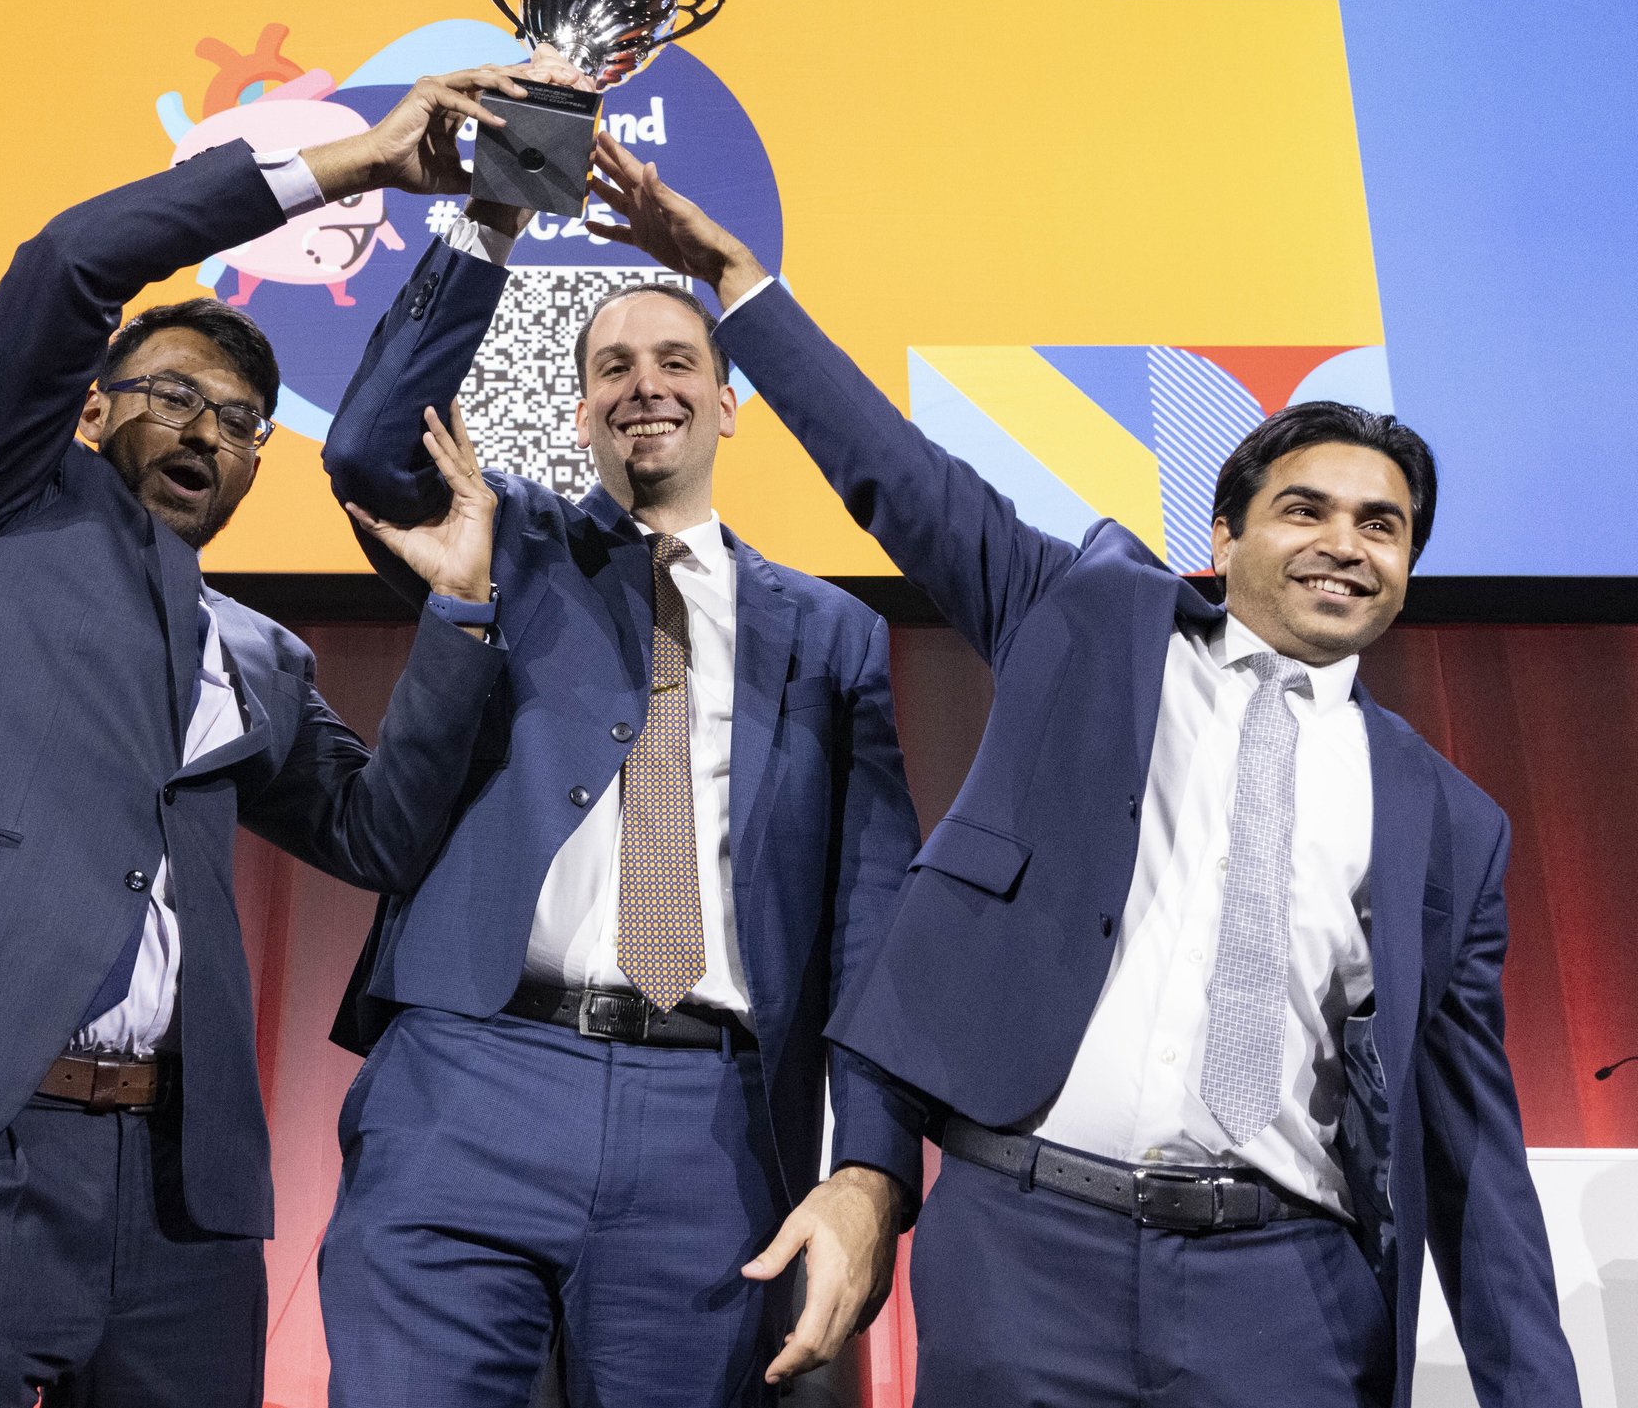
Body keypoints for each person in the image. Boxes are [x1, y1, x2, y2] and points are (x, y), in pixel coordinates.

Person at [585, 131, 1581, 1408]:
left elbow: (1470, 1152)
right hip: (1027, 1241)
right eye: (1303, 509)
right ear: (1222, 536)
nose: (1343, 544)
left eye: (1379, 526)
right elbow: (903, 479)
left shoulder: (1452, 822)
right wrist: (740, 293)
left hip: (1284, 1293)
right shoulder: (1090, 622)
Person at [0, 67, 539, 1407]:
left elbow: (380, 832)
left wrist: (463, 612)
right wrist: (360, 165)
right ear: (90, 411)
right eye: (176, 395)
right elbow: (67, 262)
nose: (212, 429)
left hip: (172, 1187)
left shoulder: (260, 651)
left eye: (245, 423)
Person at [316, 77, 925, 1408]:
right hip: (473, 1072)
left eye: (677, 363)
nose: (645, 383)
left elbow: (874, 920)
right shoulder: (510, 544)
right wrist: (491, 209)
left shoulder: (828, 634)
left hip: (708, 1123)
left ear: (729, 403)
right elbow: (366, 446)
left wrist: (871, 1163)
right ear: (582, 413)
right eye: (613, 369)